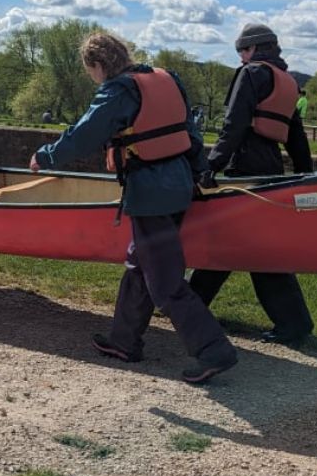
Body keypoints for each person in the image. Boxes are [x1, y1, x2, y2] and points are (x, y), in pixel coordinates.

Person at [30, 32, 237, 384]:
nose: (92, 77)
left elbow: (84, 134)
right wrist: (201, 168)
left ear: (97, 65)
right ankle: (124, 341)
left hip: (151, 191)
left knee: (164, 280)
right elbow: (190, 130)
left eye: (90, 71)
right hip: (180, 184)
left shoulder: (119, 90)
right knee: (140, 262)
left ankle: (212, 349)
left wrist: (45, 157)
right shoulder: (167, 79)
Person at [188, 22, 315, 344]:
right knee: (231, 241)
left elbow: (235, 123)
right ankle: (191, 305)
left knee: (248, 245)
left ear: (255, 48)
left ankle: (294, 324)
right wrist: (305, 173)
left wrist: (210, 165)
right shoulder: (287, 81)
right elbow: (296, 135)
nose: (241, 57)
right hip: (271, 165)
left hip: (243, 164)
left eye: (242, 50)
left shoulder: (252, 73)